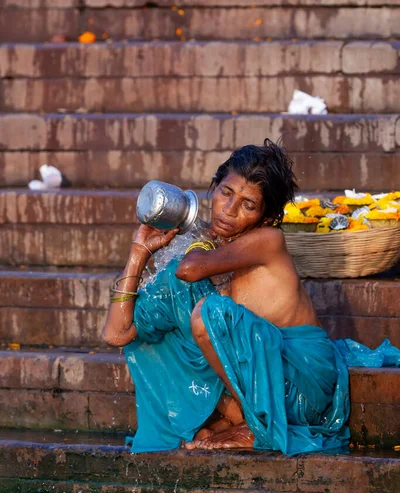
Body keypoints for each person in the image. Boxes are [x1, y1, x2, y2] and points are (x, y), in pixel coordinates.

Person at [102, 139, 350, 455]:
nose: (229, 211)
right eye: (226, 193)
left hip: (297, 390)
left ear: (267, 216)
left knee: (211, 311)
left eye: (248, 205)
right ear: (214, 187)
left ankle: (253, 424)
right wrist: (138, 252)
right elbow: (117, 333)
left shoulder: (268, 240)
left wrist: (203, 239)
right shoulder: (215, 252)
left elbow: (190, 269)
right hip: (260, 390)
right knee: (167, 321)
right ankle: (235, 419)